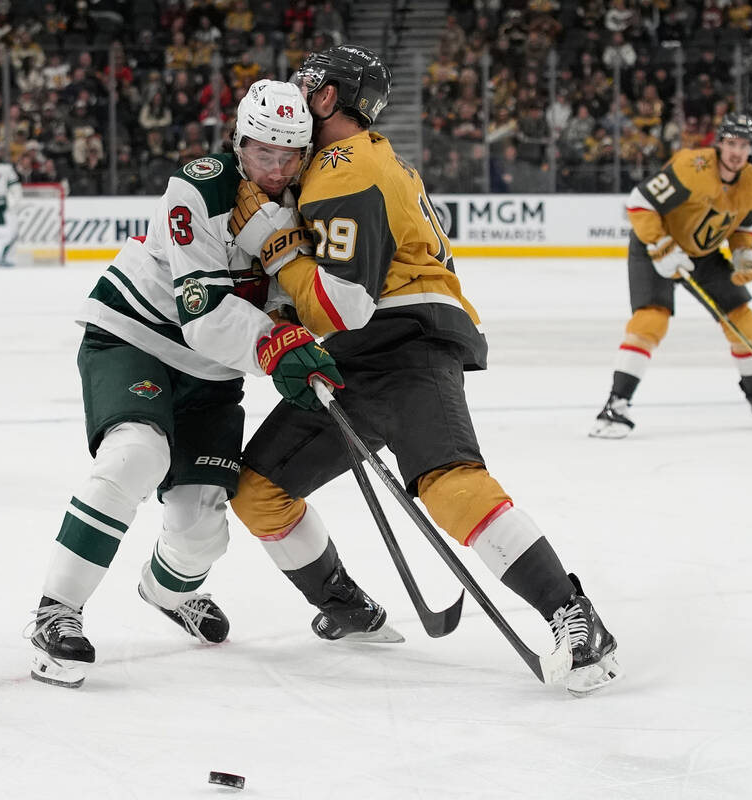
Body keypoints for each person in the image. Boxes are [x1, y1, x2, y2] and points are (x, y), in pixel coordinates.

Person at [226, 45, 621, 695]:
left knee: (451, 485)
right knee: (258, 490)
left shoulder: (345, 170)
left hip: (405, 344)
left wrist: (276, 248)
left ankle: (575, 617)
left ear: (330, 100)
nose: (299, 90)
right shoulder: (341, 163)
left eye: (310, 85)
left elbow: (341, 307)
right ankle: (348, 606)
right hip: (359, 357)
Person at [26, 80, 337, 689]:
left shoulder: (310, 202)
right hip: (136, 335)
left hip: (214, 372)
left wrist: (299, 336)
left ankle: (164, 592)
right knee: (138, 453)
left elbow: (292, 298)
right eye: (261, 153)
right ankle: (55, 612)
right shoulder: (197, 186)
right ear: (237, 143)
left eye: (287, 155)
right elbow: (203, 313)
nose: (274, 169)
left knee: (201, 528)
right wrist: (275, 345)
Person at [590, 112, 752, 438]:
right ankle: (616, 405)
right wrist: (661, 244)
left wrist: (745, 254)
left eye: (743, 144)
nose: (736, 151)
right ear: (719, 144)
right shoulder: (693, 167)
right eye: (730, 143)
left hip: (702, 254)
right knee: (650, 321)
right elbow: (640, 202)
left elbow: (742, 227)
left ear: (751, 148)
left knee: (742, 320)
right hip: (654, 245)